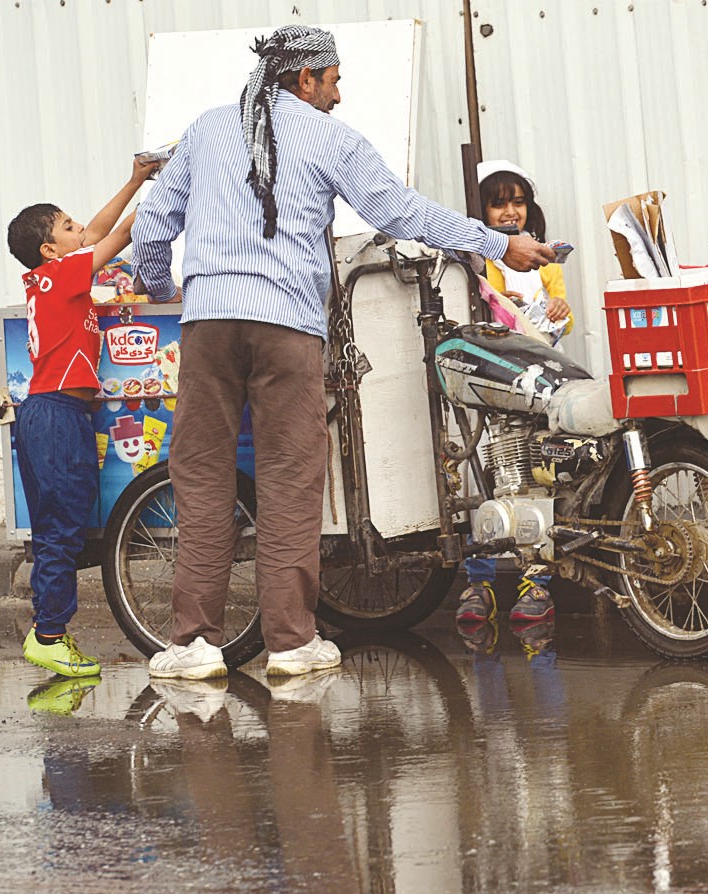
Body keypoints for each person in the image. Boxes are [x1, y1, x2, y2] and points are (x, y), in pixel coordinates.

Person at [133, 26, 554, 681]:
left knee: (202, 479)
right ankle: (290, 642)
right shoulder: (332, 140)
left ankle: (192, 644)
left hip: (209, 323)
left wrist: (169, 294)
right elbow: (404, 213)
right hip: (287, 327)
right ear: (304, 79)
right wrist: (498, 245)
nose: (339, 92)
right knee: (290, 481)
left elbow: (153, 227)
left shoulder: (207, 129)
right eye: (333, 78)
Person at [5, 158, 159, 678]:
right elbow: (112, 238)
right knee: (61, 529)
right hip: (53, 415)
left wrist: (136, 180)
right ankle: (48, 633)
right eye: (68, 227)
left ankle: (50, 630)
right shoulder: (59, 276)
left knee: (63, 527)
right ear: (50, 250)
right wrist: (168, 190)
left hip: (56, 413)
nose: (80, 230)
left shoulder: (59, 275)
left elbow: (95, 234)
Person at [456, 161, 570, 629]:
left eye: (517, 201)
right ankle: (478, 582)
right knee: (485, 481)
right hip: (491, 387)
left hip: (537, 381)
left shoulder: (547, 263)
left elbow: (562, 316)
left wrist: (558, 309)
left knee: (535, 478)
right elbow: (492, 307)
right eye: (498, 203)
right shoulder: (482, 263)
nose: (509, 212)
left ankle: (535, 584)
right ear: (481, 210)